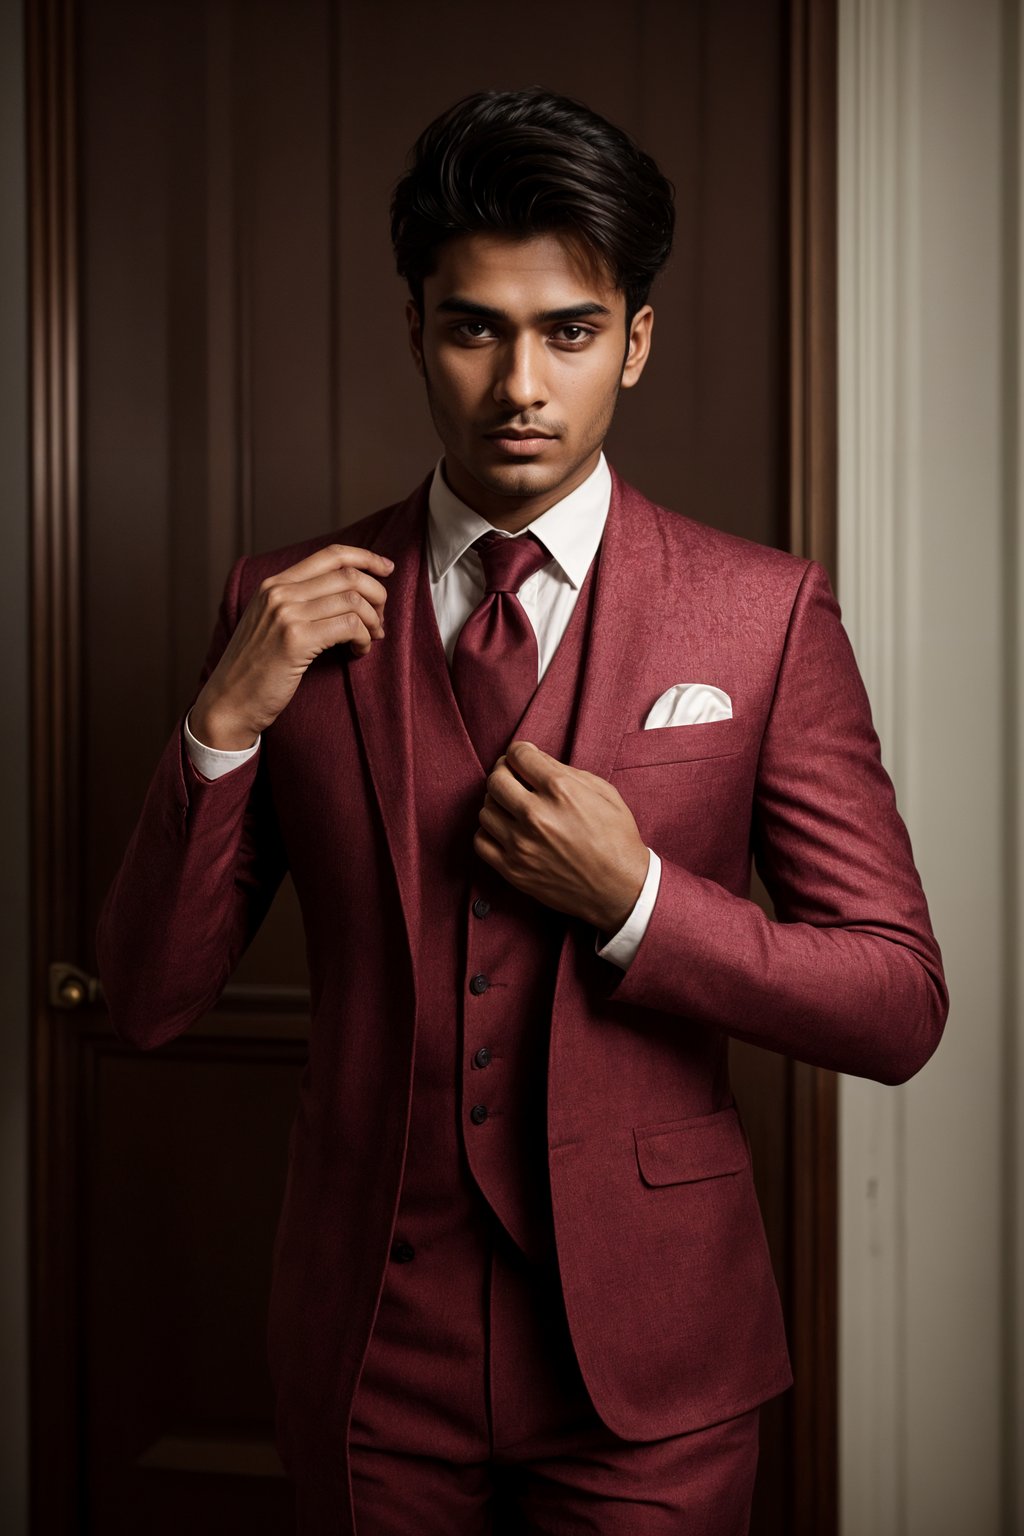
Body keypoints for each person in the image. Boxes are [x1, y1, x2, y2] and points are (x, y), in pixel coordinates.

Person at [97, 89, 947, 1536]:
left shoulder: (761, 615)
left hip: (655, 1374)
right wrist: (221, 723)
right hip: (377, 1355)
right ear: (416, 330)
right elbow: (146, 1004)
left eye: (568, 330)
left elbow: (897, 1001)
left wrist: (639, 904)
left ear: (636, 340)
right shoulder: (280, 606)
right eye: (473, 327)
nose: (520, 388)